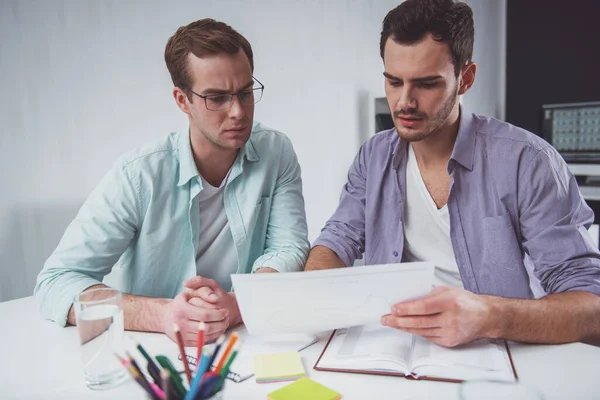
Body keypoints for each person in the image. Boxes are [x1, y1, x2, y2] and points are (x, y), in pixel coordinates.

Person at [305, 0, 600, 347]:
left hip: (501, 350)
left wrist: (490, 316)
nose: (403, 102)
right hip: (389, 347)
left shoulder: (528, 162)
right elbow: (337, 239)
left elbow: (590, 307)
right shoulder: (374, 156)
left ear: (466, 79)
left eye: (426, 84)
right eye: (394, 82)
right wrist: (313, 296)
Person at [35, 19, 310, 345]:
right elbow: (56, 280)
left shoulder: (276, 151)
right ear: (182, 100)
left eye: (246, 92)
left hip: (245, 341)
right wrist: (162, 314)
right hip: (153, 350)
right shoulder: (138, 175)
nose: (237, 112)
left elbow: (288, 246)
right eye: (217, 98)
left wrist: (237, 305)